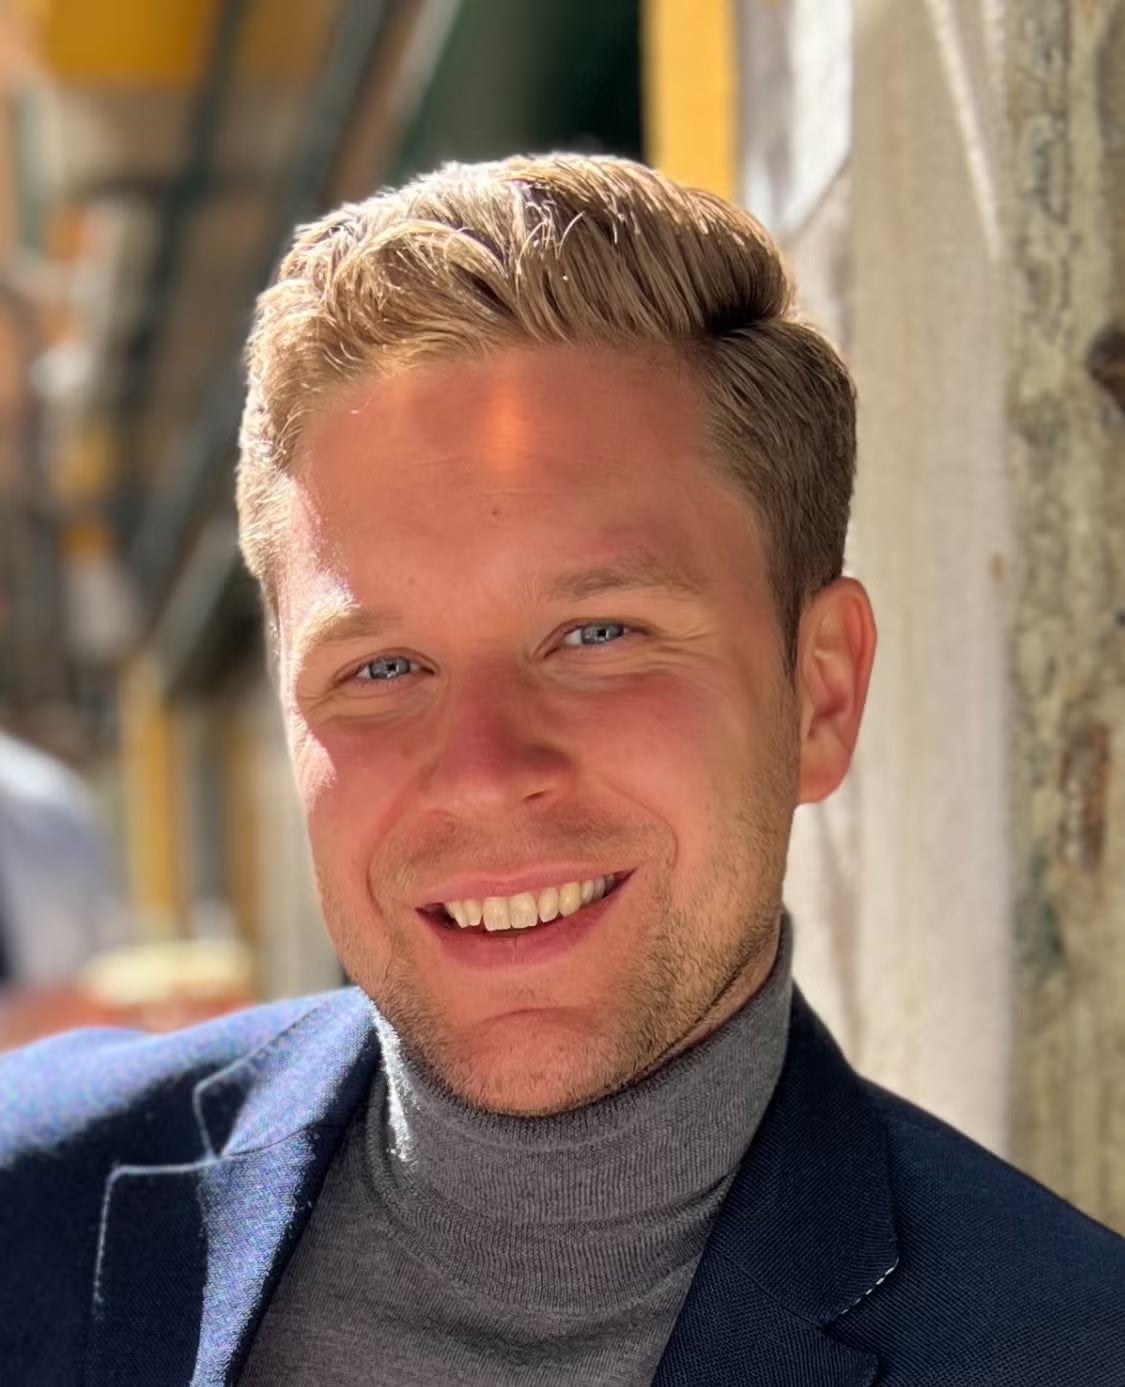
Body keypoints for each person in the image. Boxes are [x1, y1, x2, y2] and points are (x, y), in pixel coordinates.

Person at [1, 155, 1122, 1386]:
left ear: (820, 693)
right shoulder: (31, 1209)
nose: (484, 774)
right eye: (383, 667)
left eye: (598, 636)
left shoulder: (1064, 1346)